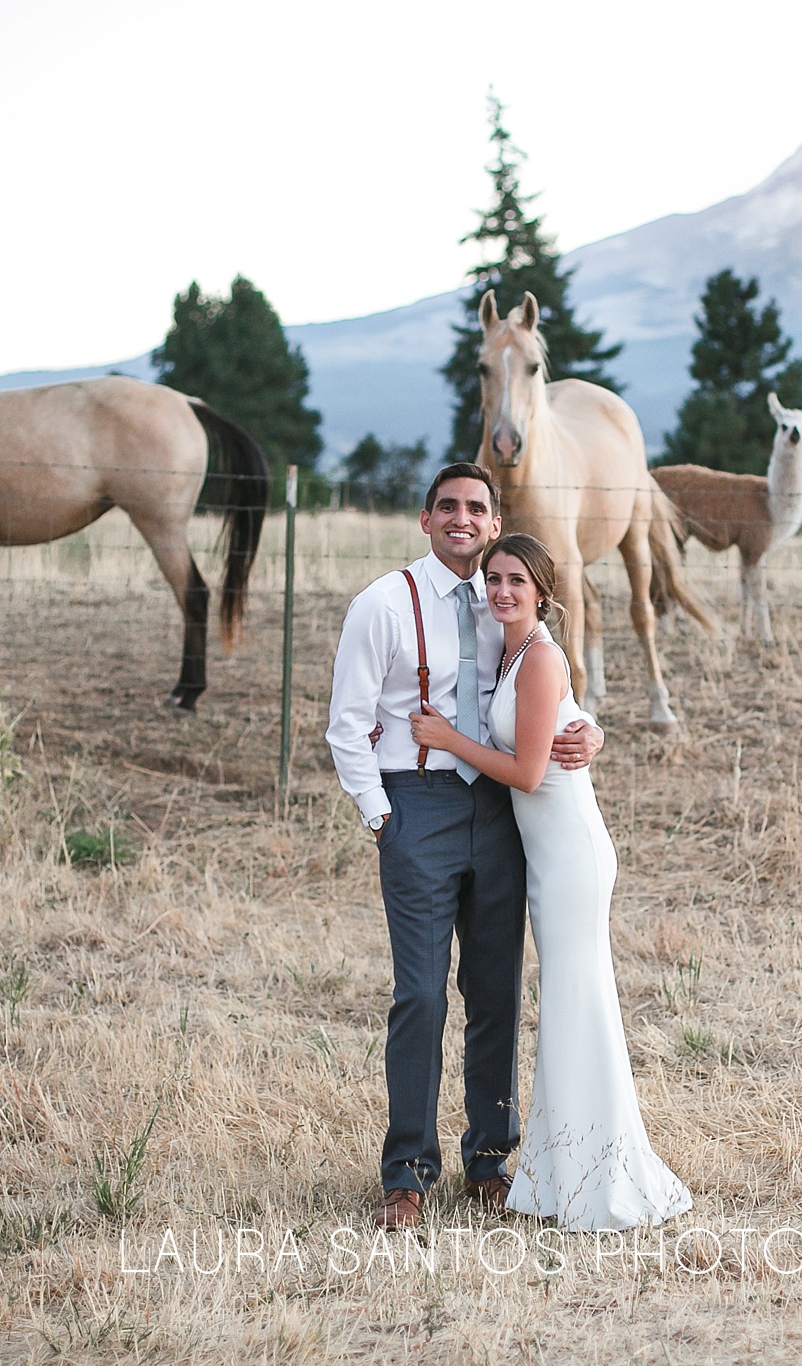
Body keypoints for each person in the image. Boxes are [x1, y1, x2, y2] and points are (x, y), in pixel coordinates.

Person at [326, 464, 604, 1230]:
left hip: (502, 808)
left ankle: (490, 1160)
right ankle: (407, 1174)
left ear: (492, 521)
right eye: (446, 506)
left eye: (475, 508)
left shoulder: (503, 599)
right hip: (415, 807)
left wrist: (591, 731)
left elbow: (550, 682)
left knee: (496, 992)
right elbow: (346, 724)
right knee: (419, 993)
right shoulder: (383, 604)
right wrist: (381, 816)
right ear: (425, 519)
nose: (461, 518)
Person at [411, 533, 692, 1232]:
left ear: (543, 592)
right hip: (547, 857)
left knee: (576, 1006)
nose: (502, 591)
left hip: (570, 857)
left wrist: (447, 740)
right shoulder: (506, 649)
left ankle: (595, 1179)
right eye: (494, 579)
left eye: (516, 581)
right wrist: (587, 724)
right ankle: (559, 1172)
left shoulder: (537, 658)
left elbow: (529, 773)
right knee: (570, 1008)